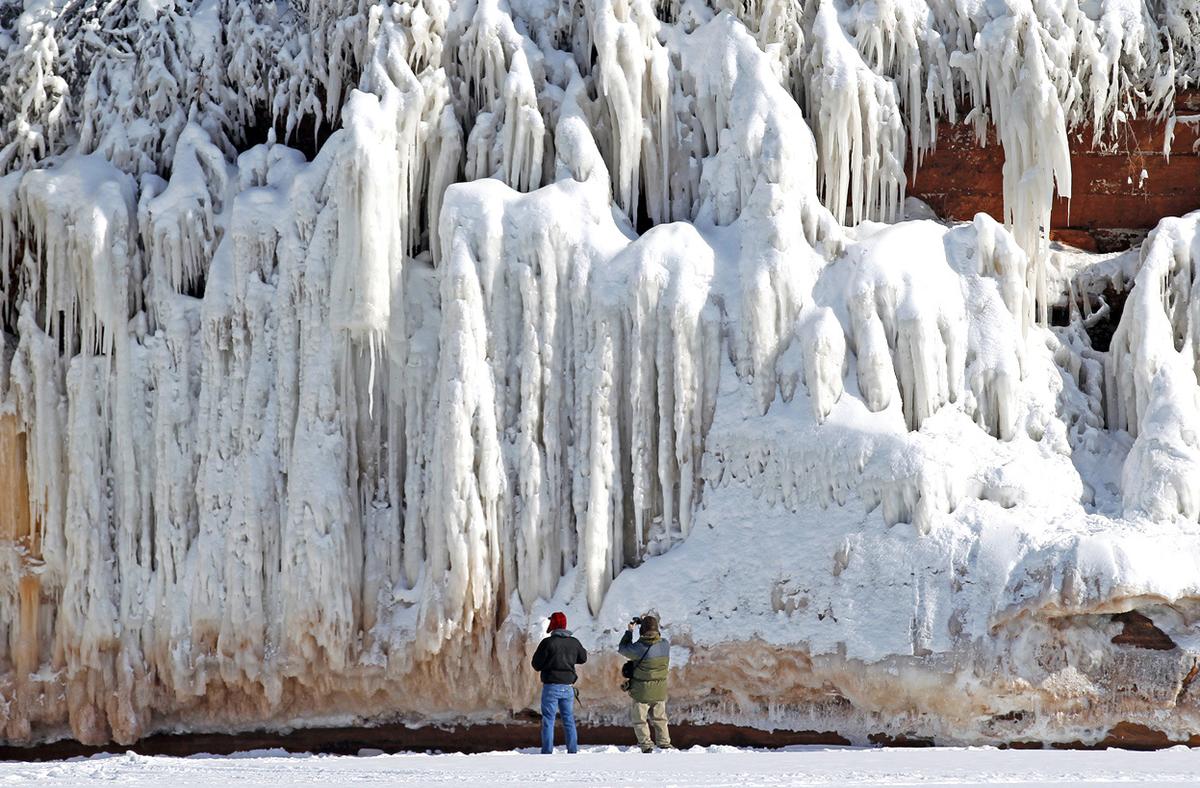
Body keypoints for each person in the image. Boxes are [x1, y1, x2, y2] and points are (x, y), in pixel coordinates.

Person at [530, 611, 588, 754]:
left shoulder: (548, 643)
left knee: (548, 720)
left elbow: (536, 664)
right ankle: (573, 750)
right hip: (568, 688)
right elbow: (583, 658)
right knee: (568, 719)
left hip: (551, 687)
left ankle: (547, 751)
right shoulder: (574, 642)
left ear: (554, 625)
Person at [618, 614, 672, 753]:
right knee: (660, 718)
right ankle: (664, 743)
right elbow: (655, 640)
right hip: (659, 690)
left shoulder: (639, 648)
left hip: (641, 691)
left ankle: (646, 745)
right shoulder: (665, 645)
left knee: (640, 720)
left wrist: (630, 631)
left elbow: (623, 648)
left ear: (642, 631)